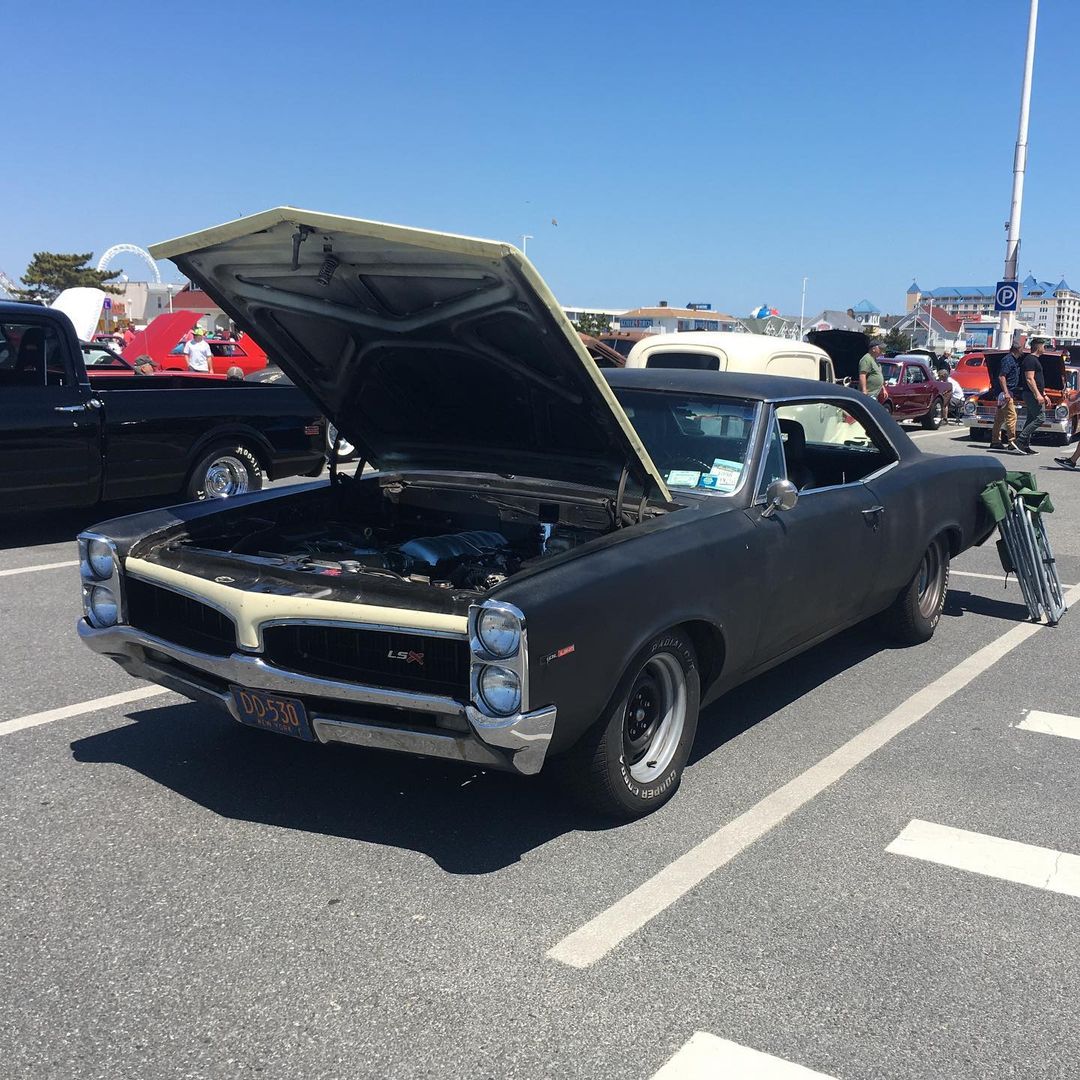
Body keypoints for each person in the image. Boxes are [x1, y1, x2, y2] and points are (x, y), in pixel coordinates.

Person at [1015, 338, 1051, 455]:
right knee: (1040, 418)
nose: (1044, 348)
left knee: (1030, 419)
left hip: (1036, 393)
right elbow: (1030, 379)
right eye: (1044, 346)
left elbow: (1038, 380)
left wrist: (1044, 394)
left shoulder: (1035, 360)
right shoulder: (1030, 360)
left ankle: (1025, 446)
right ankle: (1020, 440)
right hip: (1031, 394)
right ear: (1038, 347)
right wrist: (1037, 395)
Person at [990, 340, 1022, 451]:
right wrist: (1006, 392)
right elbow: (1002, 376)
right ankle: (1012, 442)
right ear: (1017, 349)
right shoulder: (1008, 360)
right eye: (1021, 349)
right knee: (1012, 417)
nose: (1022, 351)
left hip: (1005, 392)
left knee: (999, 418)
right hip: (1006, 393)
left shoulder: (1013, 360)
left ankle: (995, 441)